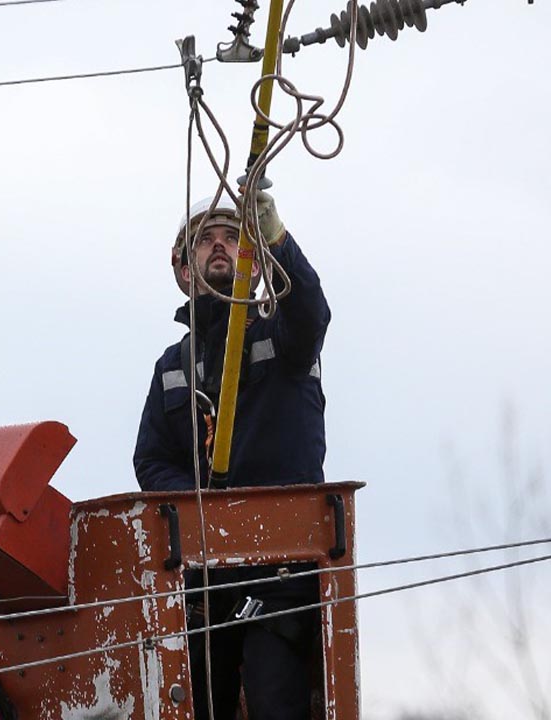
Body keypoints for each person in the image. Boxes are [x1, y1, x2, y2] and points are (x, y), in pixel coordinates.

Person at [132, 191, 331, 720]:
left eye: (232, 237)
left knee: (273, 703)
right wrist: (204, 506)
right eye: (204, 239)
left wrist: (276, 239)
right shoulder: (173, 367)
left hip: (280, 571)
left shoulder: (280, 331)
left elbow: (313, 316)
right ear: (183, 267)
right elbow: (150, 462)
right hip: (205, 580)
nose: (219, 246)